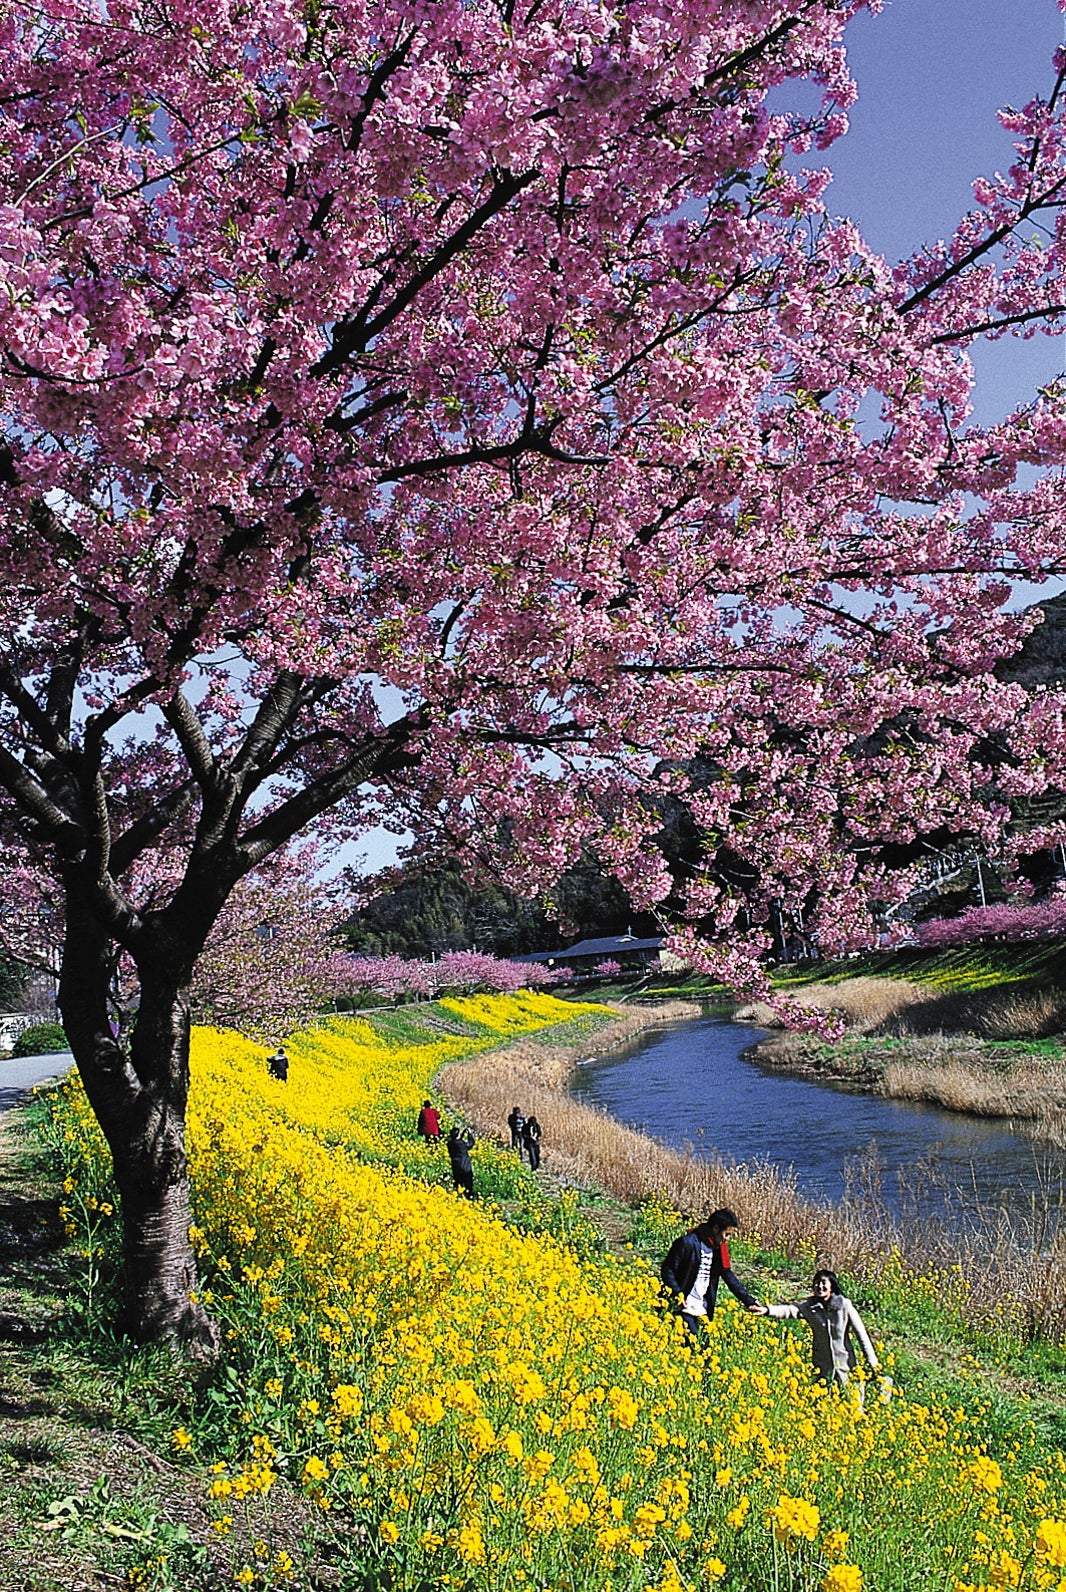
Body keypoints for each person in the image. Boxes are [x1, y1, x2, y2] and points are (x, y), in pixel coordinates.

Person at [750, 1269, 879, 1389]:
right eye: (816, 1283)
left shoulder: (844, 1306)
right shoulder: (810, 1308)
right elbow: (790, 1310)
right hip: (821, 1365)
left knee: (851, 1402)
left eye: (823, 1283)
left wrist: (872, 1363)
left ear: (831, 1286)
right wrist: (767, 1310)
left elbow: (861, 1335)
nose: (820, 1286)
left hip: (846, 1365)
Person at [660, 1208, 758, 1338]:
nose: (727, 1239)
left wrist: (749, 1301)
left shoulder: (719, 1250)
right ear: (716, 1229)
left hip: (702, 1308)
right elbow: (667, 1269)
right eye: (727, 1234)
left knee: (704, 1351)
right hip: (684, 1306)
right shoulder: (687, 1243)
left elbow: (728, 1276)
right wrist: (677, 1293)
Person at [446, 1126, 476, 1197]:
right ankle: (469, 1197)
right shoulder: (461, 1144)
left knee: (458, 1184)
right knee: (468, 1185)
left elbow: (457, 1140)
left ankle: (458, 1197)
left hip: (456, 1167)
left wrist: (462, 1134)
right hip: (465, 1167)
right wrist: (470, 1134)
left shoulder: (450, 1143)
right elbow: (470, 1143)